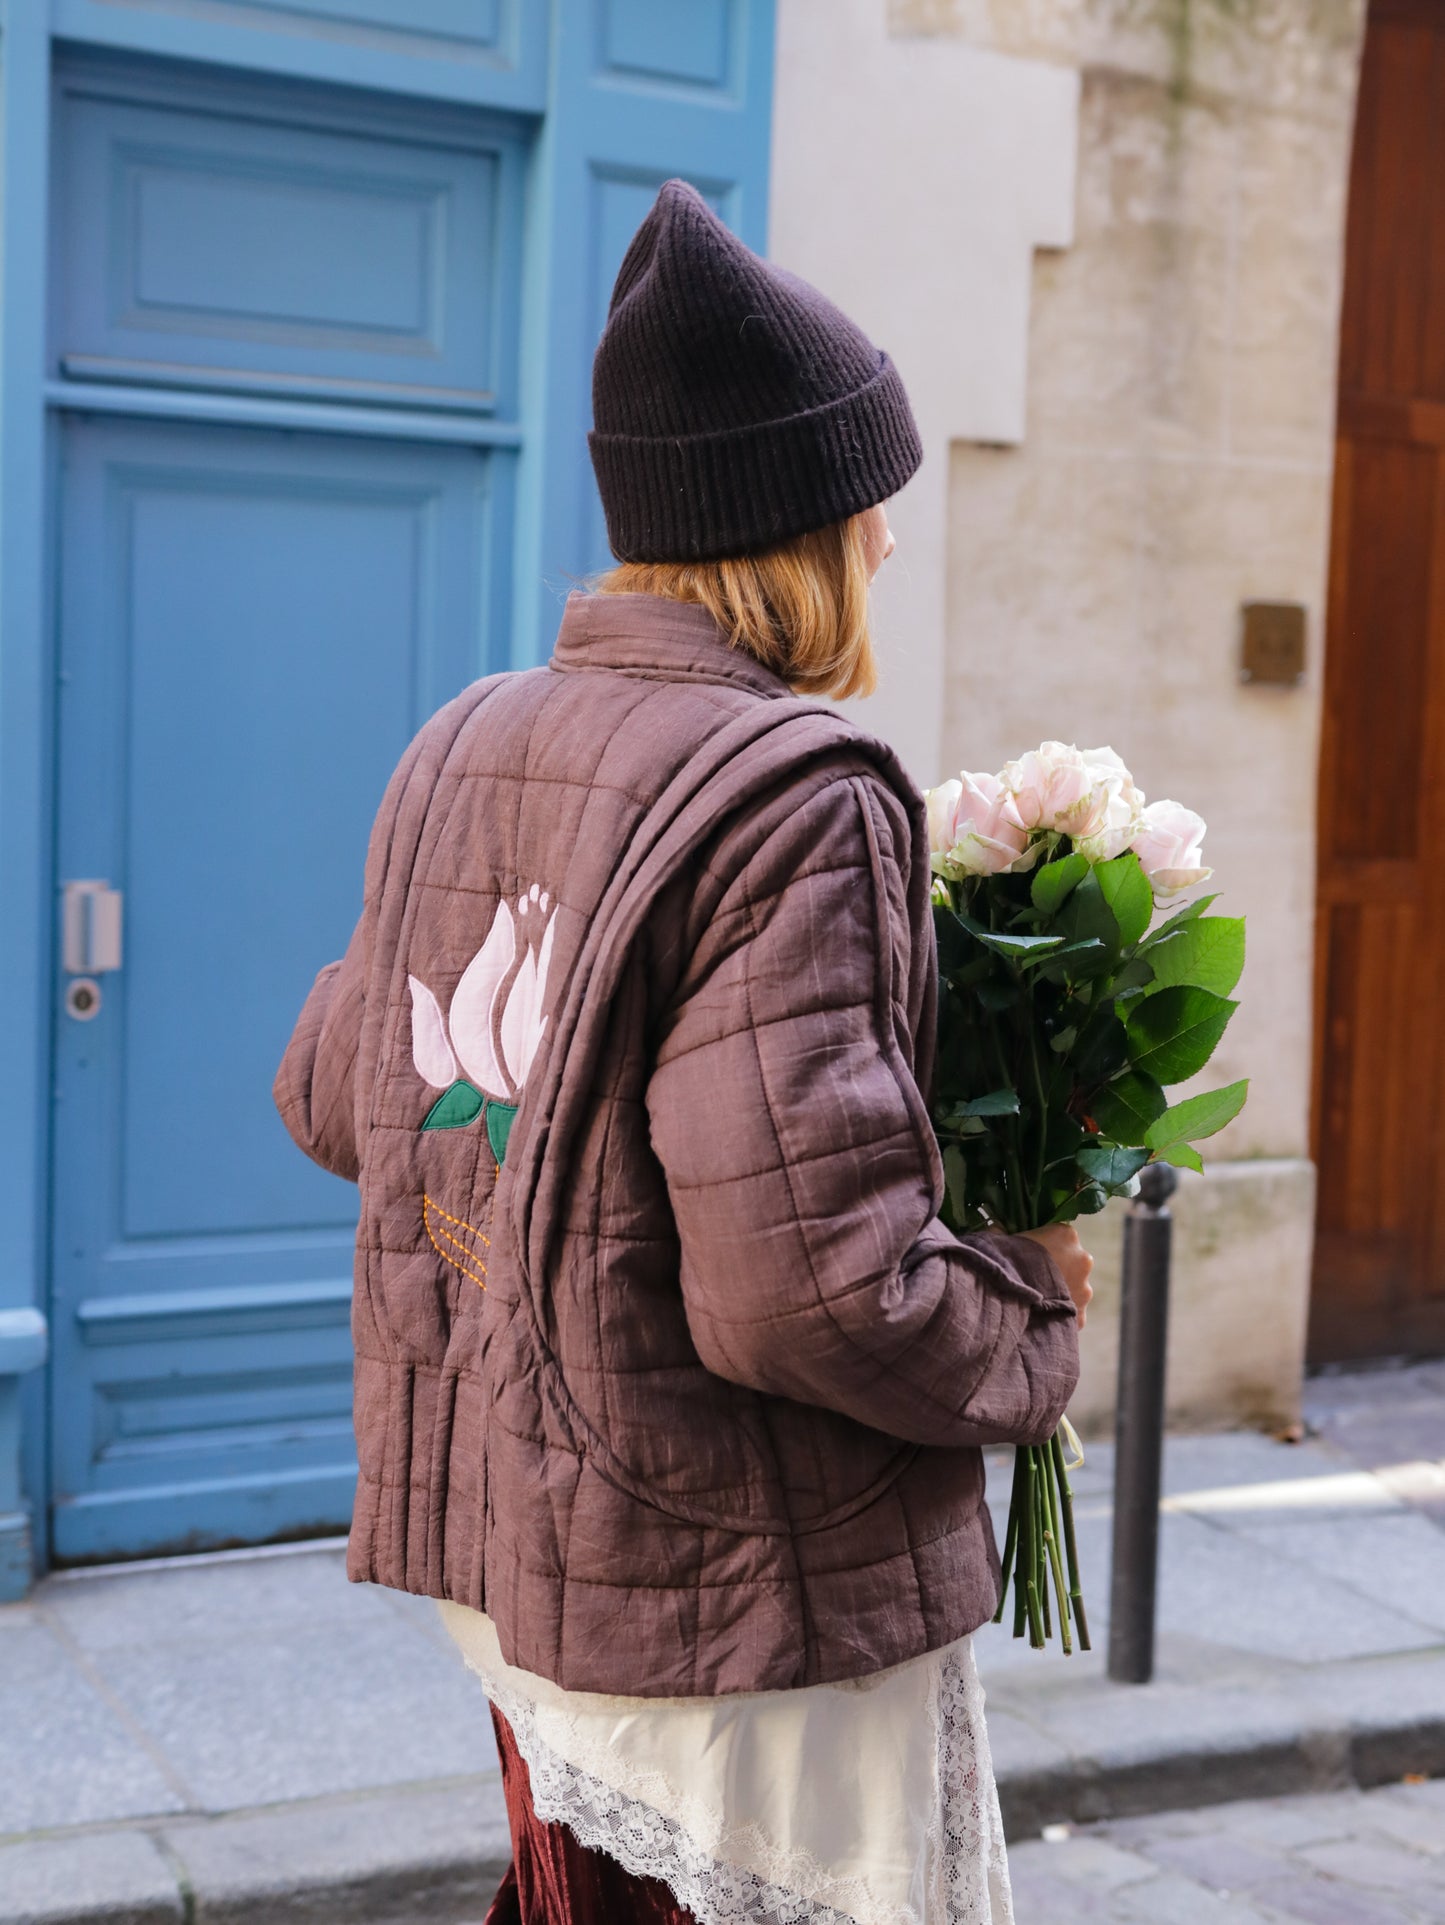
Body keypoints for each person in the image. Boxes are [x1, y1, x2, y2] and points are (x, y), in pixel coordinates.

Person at [275, 178, 1092, 1925]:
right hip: (726, 1597)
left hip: (519, 1557)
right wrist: (1031, 1305)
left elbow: (334, 1086)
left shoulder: (463, 739)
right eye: (866, 502)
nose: (886, 540)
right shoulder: (795, 793)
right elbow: (807, 1287)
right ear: (789, 521)